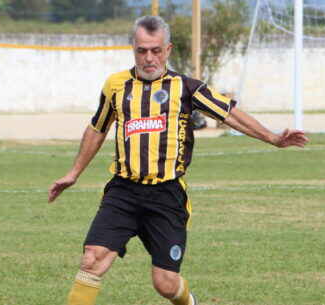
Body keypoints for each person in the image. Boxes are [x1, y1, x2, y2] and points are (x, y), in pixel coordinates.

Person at [48, 15, 309, 305]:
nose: (149, 58)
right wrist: (73, 173)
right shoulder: (116, 86)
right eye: (142, 50)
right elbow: (97, 128)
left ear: (168, 50)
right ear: (133, 48)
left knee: (165, 283)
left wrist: (272, 138)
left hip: (166, 195)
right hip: (122, 191)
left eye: (156, 50)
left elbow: (229, 113)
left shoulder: (187, 88)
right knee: (92, 260)